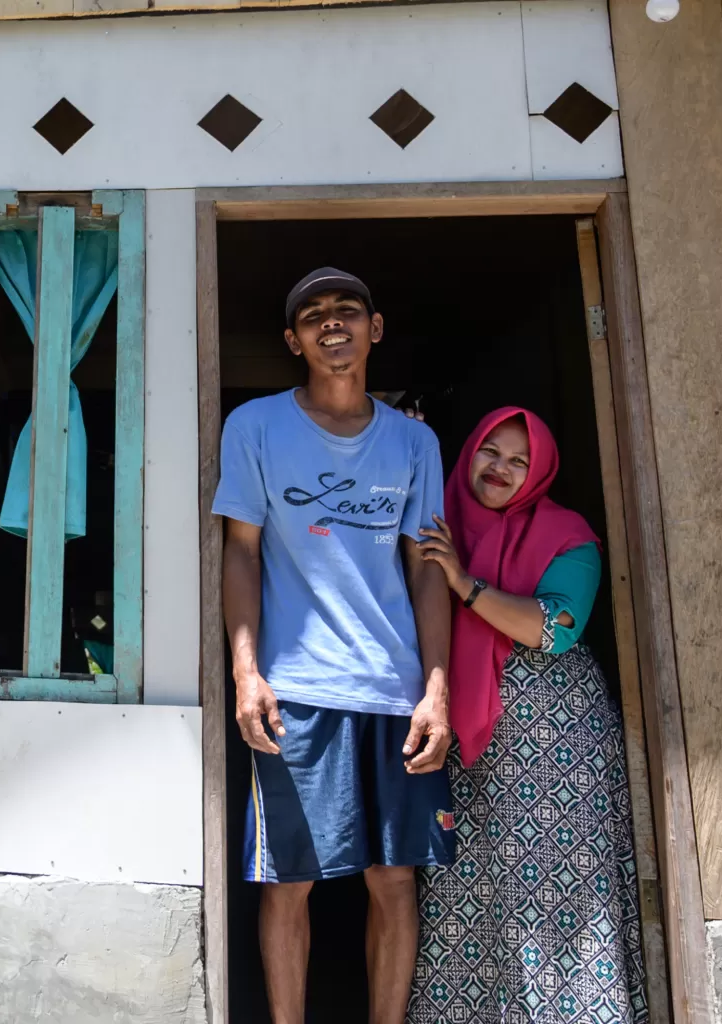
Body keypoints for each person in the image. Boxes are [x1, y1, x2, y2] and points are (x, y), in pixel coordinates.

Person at [213, 268, 456, 1024]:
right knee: (288, 880)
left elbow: (426, 569)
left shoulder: (416, 442)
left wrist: (436, 689)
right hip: (299, 689)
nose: (331, 323)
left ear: (373, 328)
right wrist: (246, 672)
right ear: (293, 340)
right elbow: (242, 551)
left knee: (393, 880)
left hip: (394, 690)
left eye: (347, 310)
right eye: (312, 315)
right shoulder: (255, 427)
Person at [407, 407, 648, 1024]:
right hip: (462, 735)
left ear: (538, 472)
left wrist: (463, 581)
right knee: (467, 893)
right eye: (492, 451)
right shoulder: (436, 521)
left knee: (550, 891)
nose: (502, 470)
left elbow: (554, 628)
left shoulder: (567, 535)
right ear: (471, 451)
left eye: (520, 461)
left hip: (553, 741)